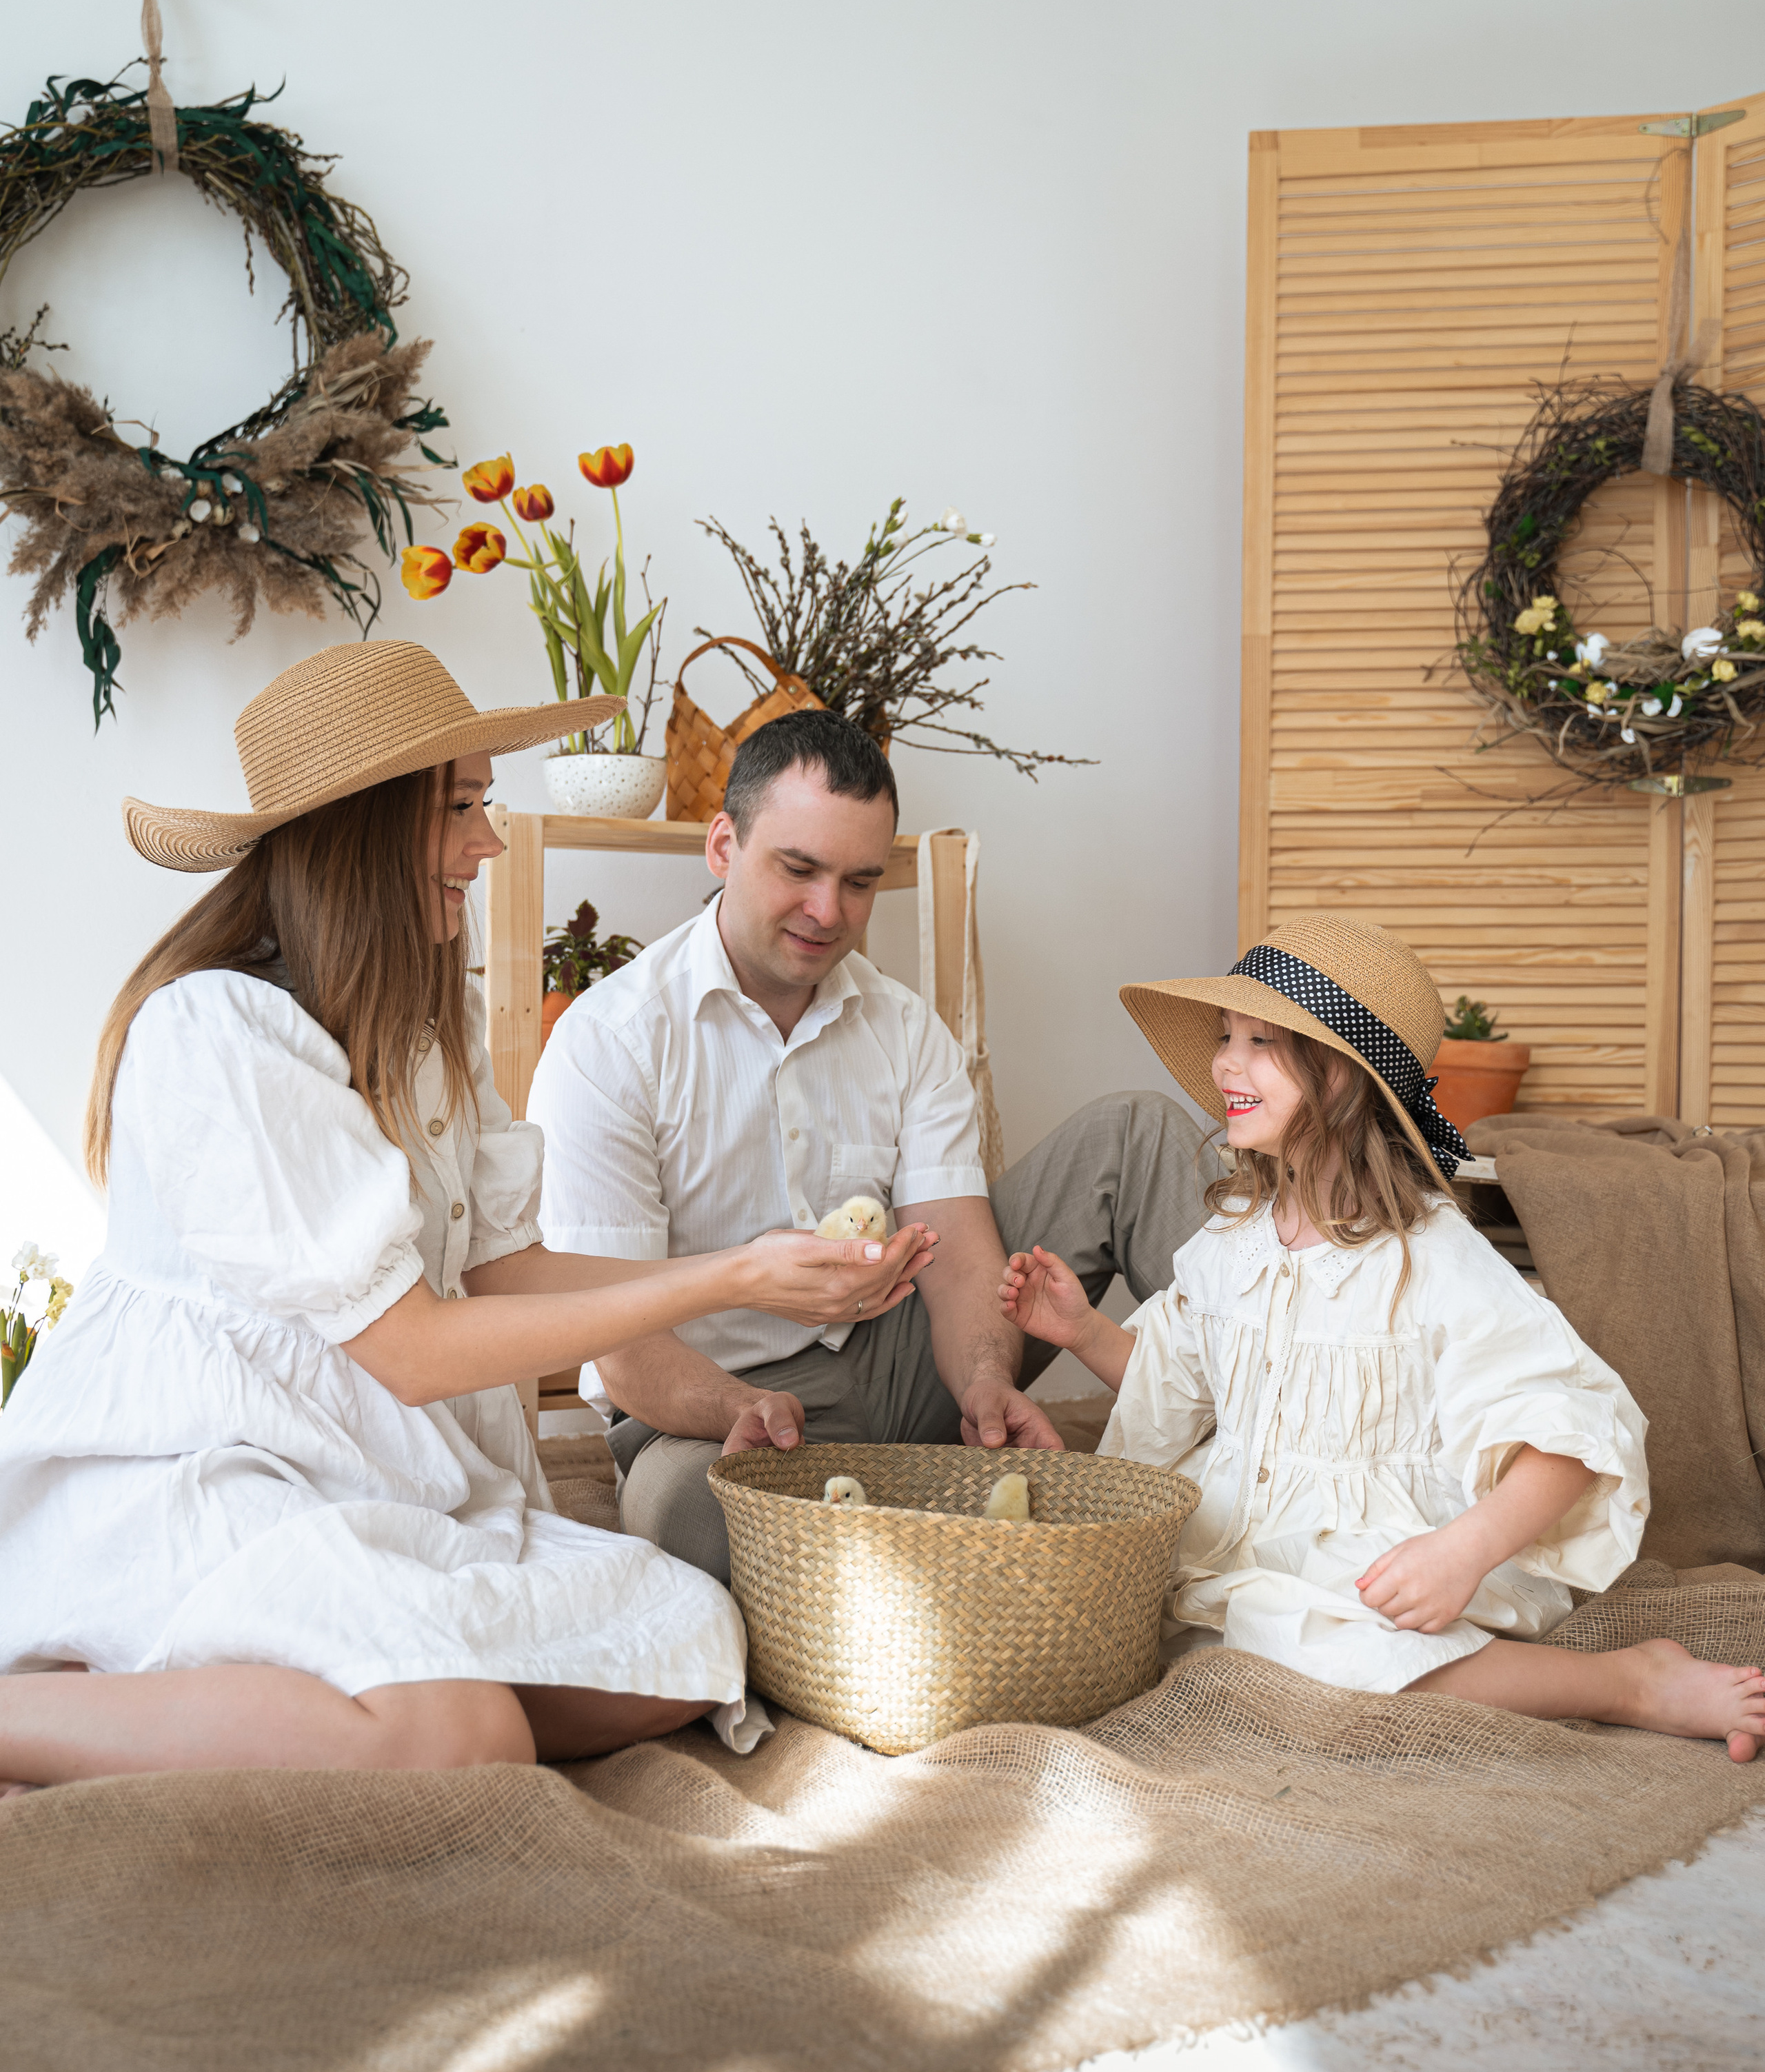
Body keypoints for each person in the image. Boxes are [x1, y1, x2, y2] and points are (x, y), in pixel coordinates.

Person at [0, 642, 934, 1792]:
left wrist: (735, 1302)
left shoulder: (423, 1027)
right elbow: (408, 1350)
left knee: (685, 1646)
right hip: (221, 1464)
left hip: (370, 1471)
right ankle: (56, 1707)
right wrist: (733, 1275)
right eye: (463, 806)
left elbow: (504, 1272)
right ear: (369, 826)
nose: (489, 840)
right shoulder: (217, 1031)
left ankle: (293, 1695)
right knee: (461, 1738)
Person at [998, 912, 1765, 1763]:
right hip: (1238, 1523)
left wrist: (1460, 1552)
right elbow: (1178, 1387)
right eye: (1225, 1036)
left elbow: (1573, 1431)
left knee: (1332, 1647)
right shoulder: (1230, 1238)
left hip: (1379, 1541)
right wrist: (1082, 1331)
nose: (1224, 1062)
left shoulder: (1429, 1256)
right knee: (1129, 1610)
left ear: (1338, 1078)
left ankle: (1629, 1681)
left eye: (1259, 1042)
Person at [527, 708, 1213, 1582]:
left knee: (1136, 1131)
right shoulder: (608, 1041)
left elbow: (962, 1256)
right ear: (722, 847)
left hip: (901, 1364)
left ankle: (1287, 1440)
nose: (828, 911)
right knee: (687, 1529)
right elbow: (618, 1341)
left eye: (858, 881)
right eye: (799, 869)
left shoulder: (901, 1024)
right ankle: (924, 1540)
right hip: (710, 1409)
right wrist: (742, 1407)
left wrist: (982, 1384)